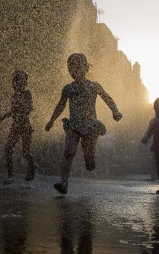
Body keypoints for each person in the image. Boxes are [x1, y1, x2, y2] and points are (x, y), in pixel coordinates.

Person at [45, 53, 122, 194]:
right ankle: (63, 183)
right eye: (70, 68)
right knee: (69, 151)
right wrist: (51, 120)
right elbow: (60, 105)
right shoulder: (68, 88)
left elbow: (107, 98)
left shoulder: (94, 86)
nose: (74, 70)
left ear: (85, 67)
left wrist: (115, 111)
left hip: (90, 125)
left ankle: (89, 161)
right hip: (73, 124)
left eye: (77, 66)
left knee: (89, 155)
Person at [0, 70, 38, 185]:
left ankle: (33, 167)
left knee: (25, 152)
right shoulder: (14, 96)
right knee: (8, 148)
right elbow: (13, 111)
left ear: (24, 83)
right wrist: (4, 116)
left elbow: (29, 108)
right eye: (14, 81)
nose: (15, 84)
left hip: (25, 126)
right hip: (15, 126)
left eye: (18, 81)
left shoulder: (27, 94)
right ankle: (10, 175)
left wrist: (18, 109)